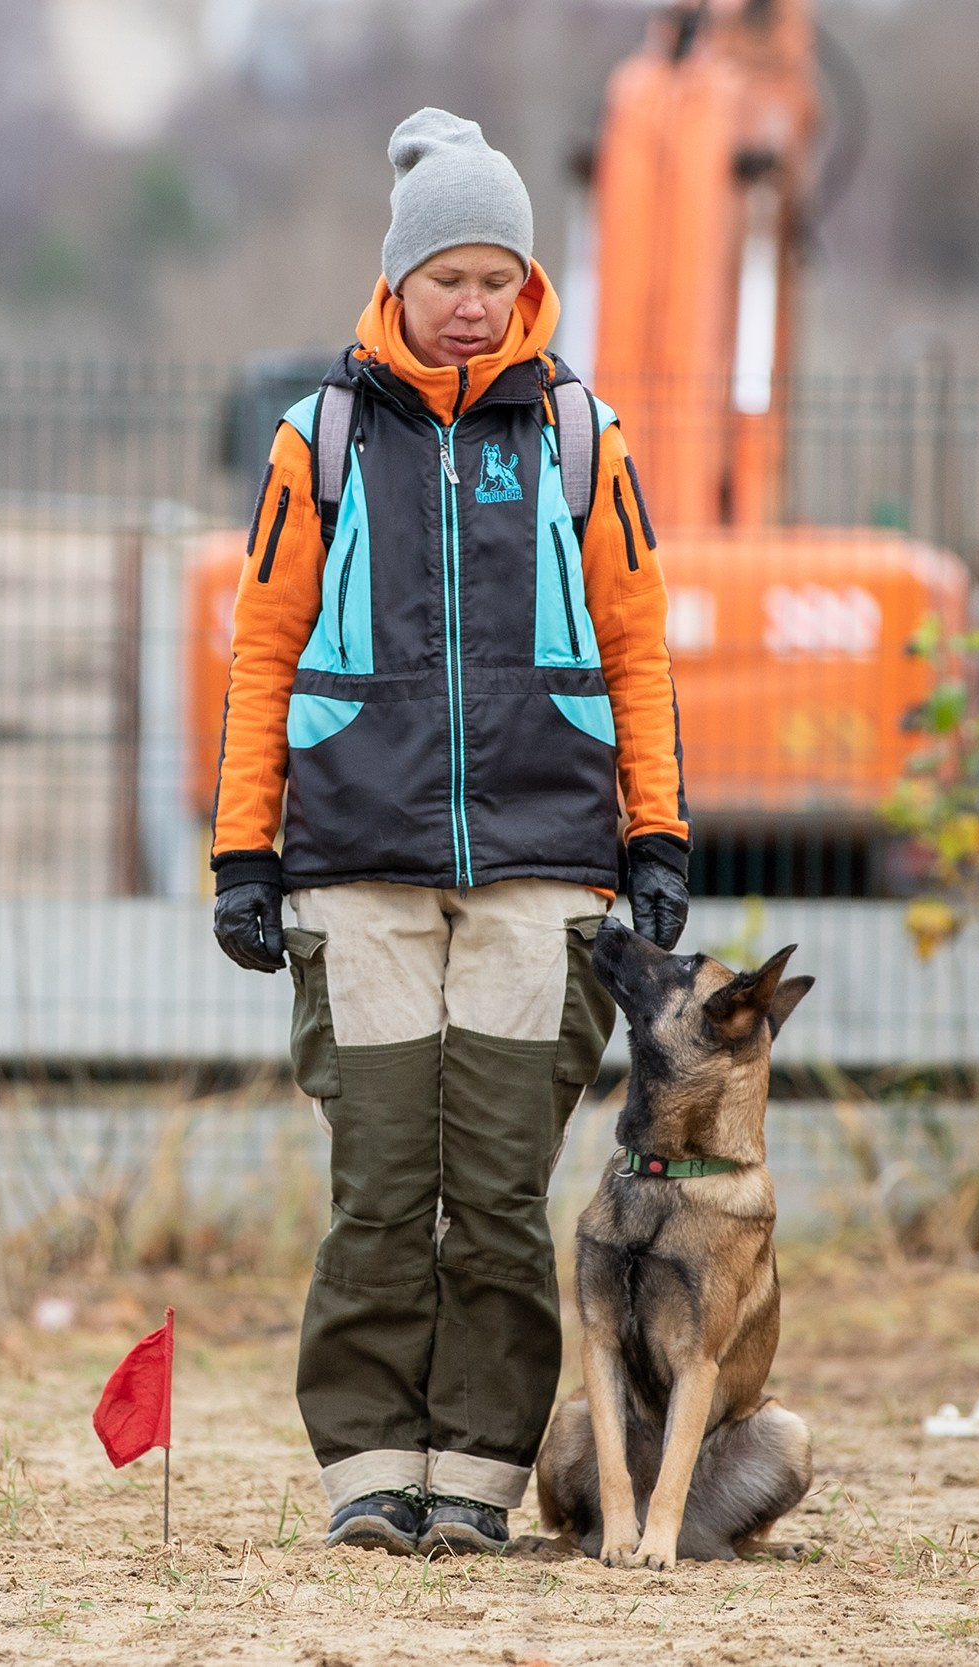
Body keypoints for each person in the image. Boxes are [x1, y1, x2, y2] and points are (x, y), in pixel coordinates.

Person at [208, 107, 691, 1557]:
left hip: (545, 876)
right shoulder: (323, 441)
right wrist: (246, 856)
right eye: (448, 276)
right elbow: (264, 652)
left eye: (497, 275)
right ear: (400, 282)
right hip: (354, 873)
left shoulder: (579, 438)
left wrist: (655, 836)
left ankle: (471, 1487)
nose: (471, 300)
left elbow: (639, 646)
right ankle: (368, 1472)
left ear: (526, 283)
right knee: (378, 1196)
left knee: (492, 1199)